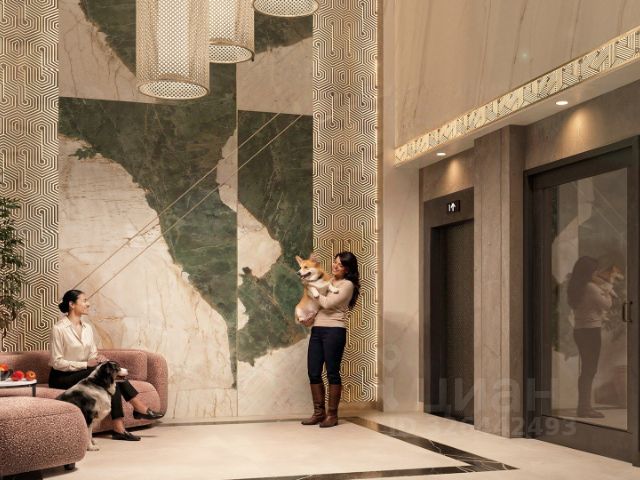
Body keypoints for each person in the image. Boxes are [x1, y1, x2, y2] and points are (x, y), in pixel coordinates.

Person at [49, 289, 164, 441]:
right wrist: (86, 364)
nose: (88, 304)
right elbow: (56, 362)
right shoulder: (59, 329)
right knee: (110, 376)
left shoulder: (87, 328)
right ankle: (135, 411)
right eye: (84, 300)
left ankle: (122, 425)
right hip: (62, 377)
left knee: (111, 375)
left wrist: (97, 358)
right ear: (71, 304)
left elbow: (92, 353)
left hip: (83, 372)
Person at [300, 252, 360, 428]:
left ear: (347, 269)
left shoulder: (347, 285)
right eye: (335, 262)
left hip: (335, 330)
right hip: (318, 329)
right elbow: (318, 304)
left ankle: (332, 415)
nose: (335, 266)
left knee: (332, 372)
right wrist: (310, 318)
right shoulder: (329, 281)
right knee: (313, 371)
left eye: (340, 265)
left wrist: (314, 291)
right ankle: (319, 413)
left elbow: (327, 303)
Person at [566, 256, 613, 418]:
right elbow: (607, 305)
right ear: (588, 272)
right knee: (589, 370)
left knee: (586, 369)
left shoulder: (575, 286)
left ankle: (583, 406)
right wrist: (607, 290)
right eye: (594, 270)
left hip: (580, 331)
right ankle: (585, 408)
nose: (597, 273)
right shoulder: (591, 287)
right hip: (591, 332)